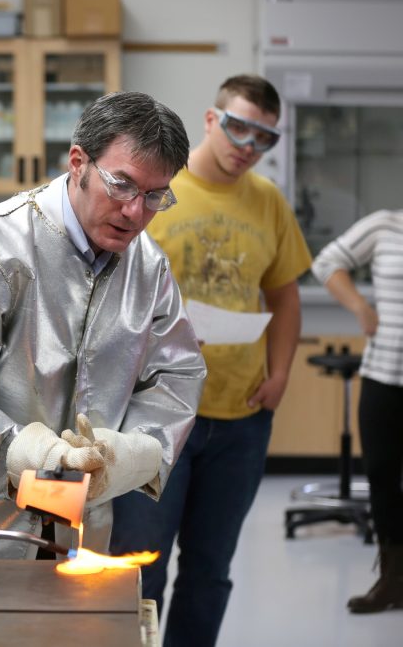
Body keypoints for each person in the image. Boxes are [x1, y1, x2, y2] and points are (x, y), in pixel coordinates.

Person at [0, 91, 207, 558]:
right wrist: (20, 450)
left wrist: (134, 453)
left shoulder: (148, 269)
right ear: (78, 163)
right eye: (122, 185)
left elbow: (177, 374)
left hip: (75, 529)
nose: (135, 212)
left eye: (154, 196)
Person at [109, 74, 312, 646]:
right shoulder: (158, 189)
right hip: (155, 416)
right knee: (139, 565)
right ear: (210, 119)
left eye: (264, 137)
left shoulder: (269, 202)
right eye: (239, 126)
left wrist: (280, 375)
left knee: (209, 571)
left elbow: (284, 295)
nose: (248, 144)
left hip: (241, 418)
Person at [311, 210, 403, 613]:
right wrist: (361, 308)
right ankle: (392, 580)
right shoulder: (385, 225)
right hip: (384, 374)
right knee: (383, 478)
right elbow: (327, 261)